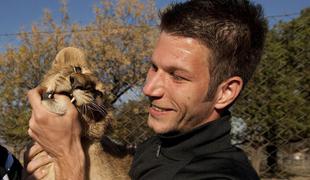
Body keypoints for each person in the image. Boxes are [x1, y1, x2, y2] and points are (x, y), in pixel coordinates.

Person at [25, 0, 267, 179]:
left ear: (226, 92)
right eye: (153, 68)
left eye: (178, 76)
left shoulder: (221, 174)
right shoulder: (159, 145)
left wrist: (66, 156)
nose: (149, 88)